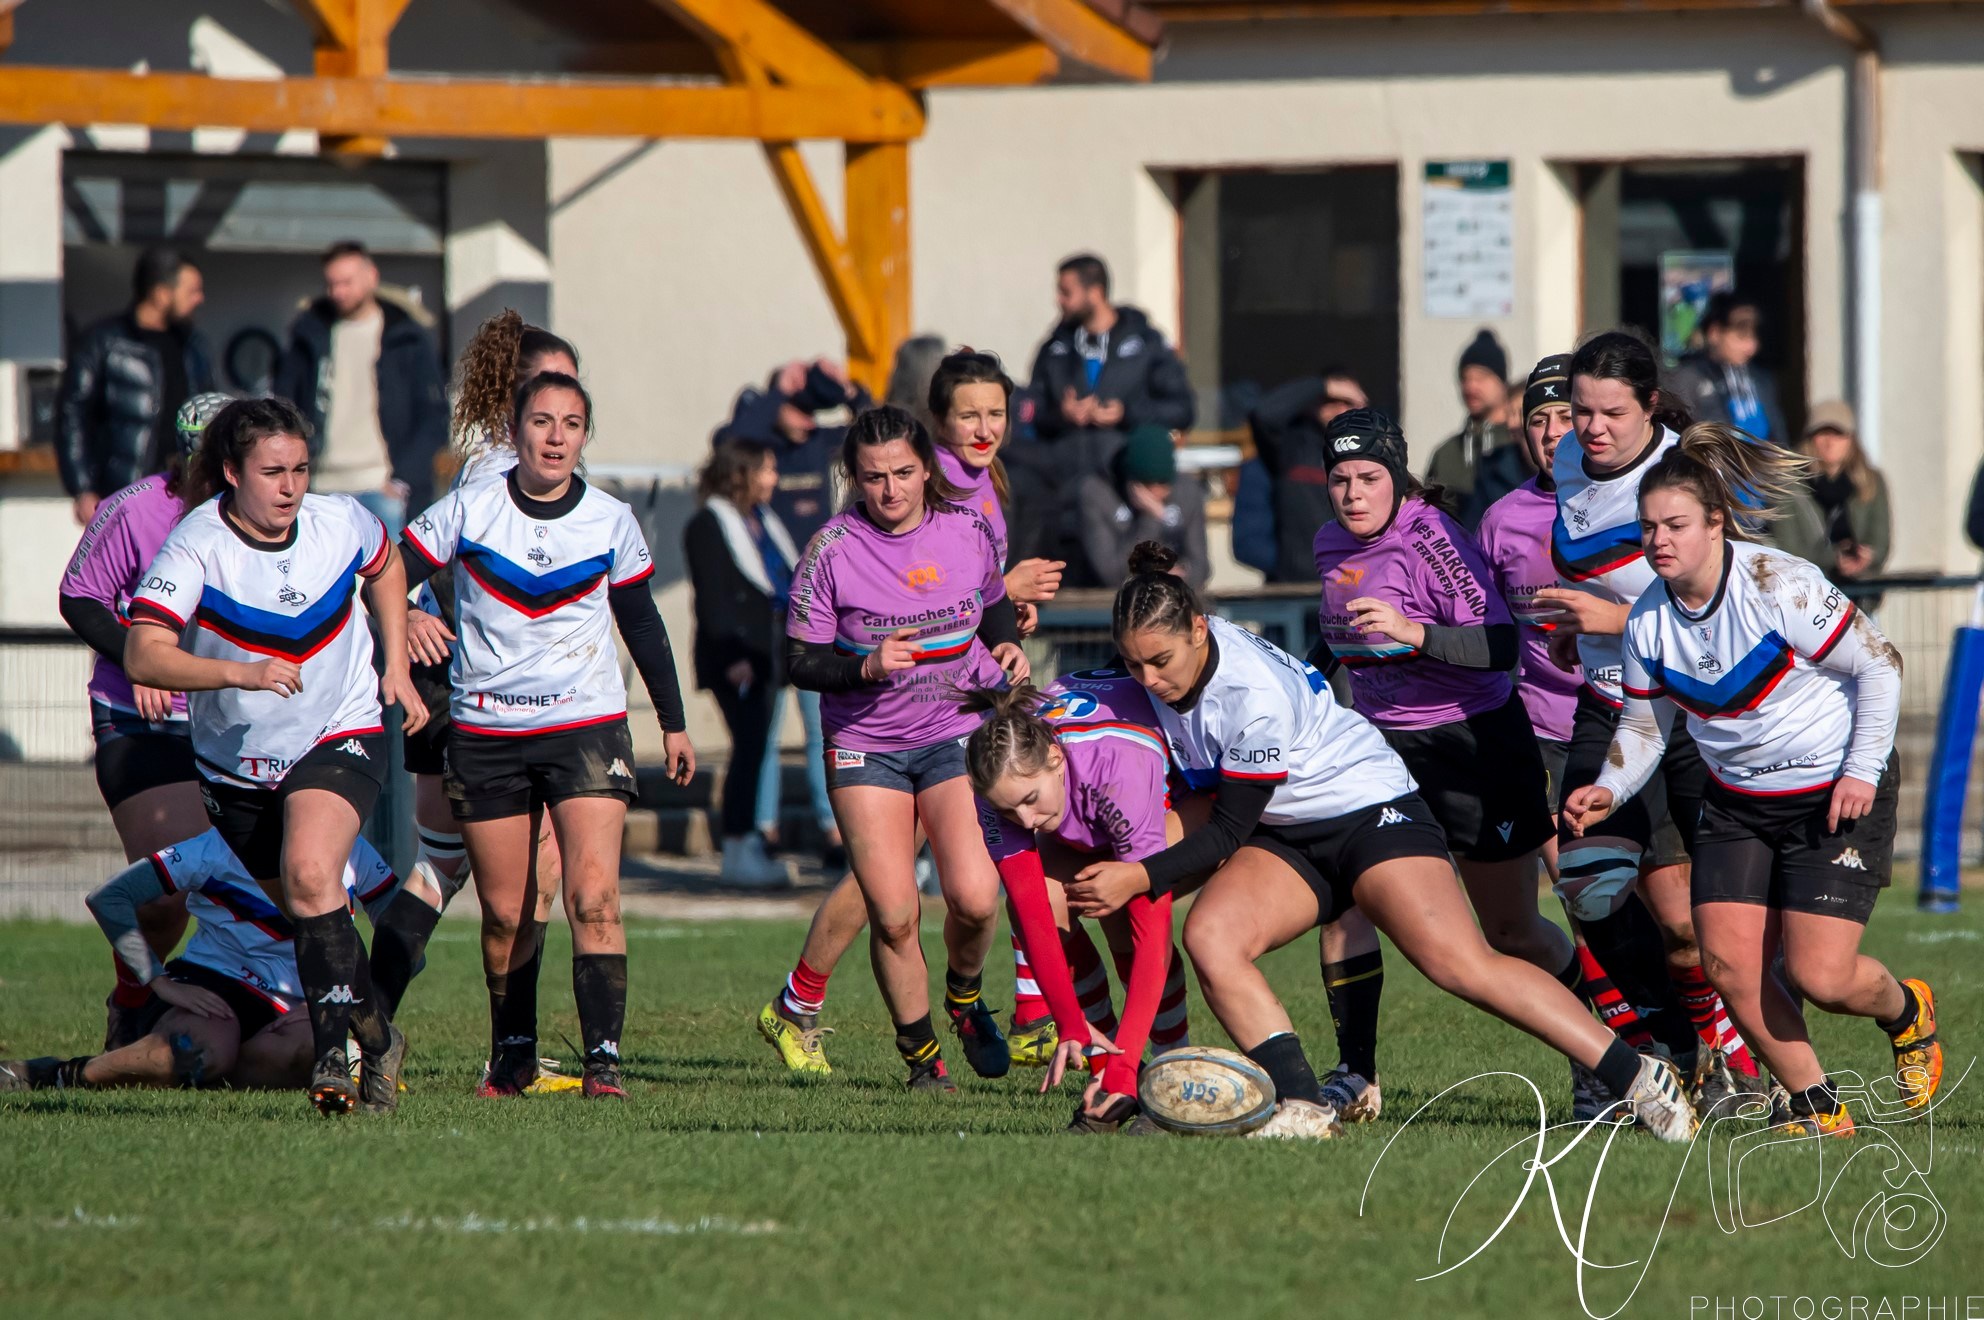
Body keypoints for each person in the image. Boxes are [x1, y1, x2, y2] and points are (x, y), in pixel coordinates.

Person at [1063, 544, 1699, 1142]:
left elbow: (1227, 830)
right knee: (1212, 937)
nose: (1147, 678)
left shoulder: (1248, 693)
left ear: (1199, 629)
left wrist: (1138, 876)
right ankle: (1303, 1104)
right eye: (1134, 663)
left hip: (1370, 810)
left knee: (1459, 964)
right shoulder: (1169, 662)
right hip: (1289, 829)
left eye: (1159, 662)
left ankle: (1637, 1077)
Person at [1564, 423, 1941, 1137]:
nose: (1658, 540)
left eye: (1675, 524)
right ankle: (1816, 1106)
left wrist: (1861, 771)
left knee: (1822, 977)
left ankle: (1906, 1011)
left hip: (1834, 790)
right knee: (1728, 966)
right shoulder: (1647, 622)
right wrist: (1609, 788)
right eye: (1647, 527)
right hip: (1737, 804)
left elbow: (1881, 665)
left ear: (1715, 523)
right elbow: (1646, 728)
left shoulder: (1778, 584)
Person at [754, 352, 1070, 1075]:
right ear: (853, 478)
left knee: (974, 898)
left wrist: (1008, 648)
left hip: (955, 733)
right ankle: (922, 1055)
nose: (889, 489)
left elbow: (992, 609)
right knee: (894, 910)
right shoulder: (832, 550)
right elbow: (798, 661)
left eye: (902, 473)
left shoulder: (967, 531)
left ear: (926, 467)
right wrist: (863, 665)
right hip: (866, 744)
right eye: (873, 477)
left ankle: (964, 996)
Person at [124, 396, 427, 1116]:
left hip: (339, 728)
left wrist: (394, 662)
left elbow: (385, 566)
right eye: (271, 472)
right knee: (309, 903)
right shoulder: (197, 544)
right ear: (231, 472)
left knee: (312, 870)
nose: (290, 486)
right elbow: (143, 651)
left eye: (299, 469)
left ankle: (332, 1061)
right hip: (239, 764)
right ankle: (378, 1039)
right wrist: (240, 672)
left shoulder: (340, 521)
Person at [400, 371, 695, 1100]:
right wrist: (406, 615)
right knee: (505, 913)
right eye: (541, 422)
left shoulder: (610, 520)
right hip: (487, 731)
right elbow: (384, 572)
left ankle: (604, 1065)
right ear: (518, 430)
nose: (555, 436)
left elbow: (643, 624)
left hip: (586, 728)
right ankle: (513, 1057)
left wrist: (674, 722)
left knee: (593, 896)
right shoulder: (468, 509)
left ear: (584, 437)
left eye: (570, 424)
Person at [1537, 331, 1764, 1109]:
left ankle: (1724, 1054)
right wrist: (1583, 632)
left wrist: (1609, 614)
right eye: (1580, 410)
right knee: (1589, 882)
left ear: (1650, 408)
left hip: (1682, 713)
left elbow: (1723, 600)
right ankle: (1668, 1042)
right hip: (1607, 703)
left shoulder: (1683, 479)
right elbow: (1595, 565)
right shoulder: (1568, 463)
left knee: (1682, 925)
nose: (1589, 429)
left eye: (1611, 413)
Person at [377, 312, 582, 1051]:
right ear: (512, 397)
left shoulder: (483, 462)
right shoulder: (506, 475)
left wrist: (412, 607)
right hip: (487, 694)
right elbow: (417, 565)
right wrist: (410, 607)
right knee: (531, 880)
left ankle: (359, 1025)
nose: (558, 412)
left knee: (439, 866)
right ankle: (512, 1053)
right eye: (542, 391)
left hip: (448, 683)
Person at [59, 391, 232, 1050]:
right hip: (142, 717)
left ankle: (274, 1019)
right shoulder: (134, 509)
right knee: (165, 897)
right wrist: (140, 659)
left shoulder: (267, 517)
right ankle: (132, 1004)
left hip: (233, 721)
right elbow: (79, 597)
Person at [963, 672, 1197, 1134]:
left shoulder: (1116, 766)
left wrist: (1127, 1067)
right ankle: (1101, 1065)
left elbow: (1154, 932)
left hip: (1181, 800)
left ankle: (1169, 1070)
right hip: (1086, 812)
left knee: (1128, 919)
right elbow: (1031, 911)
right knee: (1044, 903)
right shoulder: (1000, 779)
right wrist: (1069, 1024)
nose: (1025, 820)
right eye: (1009, 811)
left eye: (1029, 801)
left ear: (1054, 758)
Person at [0, 831, 395, 1093]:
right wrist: (158, 980)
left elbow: (400, 926)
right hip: (212, 986)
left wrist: (359, 1005)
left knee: (331, 1052)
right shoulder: (216, 847)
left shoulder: (347, 846)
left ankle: (201, 1073)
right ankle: (59, 1075)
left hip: (295, 1006)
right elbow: (109, 898)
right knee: (197, 1051)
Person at [718, 358, 871, 857]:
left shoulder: (821, 446)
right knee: (764, 729)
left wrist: (850, 388)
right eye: (798, 407)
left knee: (820, 726)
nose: (807, 417)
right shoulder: (764, 451)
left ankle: (832, 830)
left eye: (812, 408)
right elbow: (728, 442)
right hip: (772, 618)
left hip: (821, 611)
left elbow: (875, 428)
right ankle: (765, 828)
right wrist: (774, 393)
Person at [685, 439, 800, 887]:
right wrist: (734, 657)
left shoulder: (763, 520)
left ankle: (748, 841)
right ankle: (737, 845)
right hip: (736, 657)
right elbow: (712, 599)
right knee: (748, 747)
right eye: (766, 469)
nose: (773, 479)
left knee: (756, 746)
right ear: (743, 473)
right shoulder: (707, 524)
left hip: (767, 651)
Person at [275, 240, 450, 531]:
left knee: (391, 576)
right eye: (332, 284)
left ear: (372, 277)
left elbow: (433, 413)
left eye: (346, 282)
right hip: (320, 487)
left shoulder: (405, 336)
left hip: (381, 489)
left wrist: (404, 478)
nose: (338, 292)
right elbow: (284, 405)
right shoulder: (310, 334)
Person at [57, 245, 214, 527]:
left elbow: (210, 413)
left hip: (182, 498)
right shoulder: (103, 343)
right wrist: (82, 487)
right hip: (120, 495)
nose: (200, 299)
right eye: (192, 291)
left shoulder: (194, 348)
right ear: (161, 293)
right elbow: (72, 414)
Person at [1028, 253, 1195, 478]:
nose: (1058, 300)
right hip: (1064, 483)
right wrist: (1061, 415)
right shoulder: (1056, 348)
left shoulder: (1146, 343)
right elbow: (1030, 411)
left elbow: (1182, 410)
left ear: (1095, 293)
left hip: (1123, 482)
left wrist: (1126, 414)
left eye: (1066, 292)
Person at [1240, 368, 1367, 583]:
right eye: (1331, 400)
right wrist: (1322, 385)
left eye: (1348, 402)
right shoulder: (1292, 446)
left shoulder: (1368, 451)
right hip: (1296, 587)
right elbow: (1263, 415)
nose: (1340, 408)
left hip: (1352, 583)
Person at [1077, 425, 1209, 591]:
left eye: (1163, 483)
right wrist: (1151, 517)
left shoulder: (1188, 491)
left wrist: (1179, 576)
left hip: (1174, 599)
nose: (1156, 492)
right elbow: (1111, 574)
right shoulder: (1098, 493)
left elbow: (1201, 565)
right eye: (1146, 484)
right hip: (1117, 602)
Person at [1777, 400, 1891, 584]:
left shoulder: (1871, 481)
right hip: (1808, 589)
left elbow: (1880, 542)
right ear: (1809, 438)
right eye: (1822, 433)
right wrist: (1833, 557)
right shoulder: (1788, 484)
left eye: (1838, 434)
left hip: (1860, 590)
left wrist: (1865, 556)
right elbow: (1787, 548)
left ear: (1851, 439)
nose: (1830, 442)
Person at [1666, 292, 1788, 447]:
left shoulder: (1761, 378)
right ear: (1715, 332)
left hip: (1761, 466)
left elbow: (1779, 434)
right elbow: (1680, 434)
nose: (1751, 347)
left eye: (1754, 337)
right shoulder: (1689, 377)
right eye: (1741, 336)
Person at [1423, 329, 1518, 529]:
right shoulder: (1446, 453)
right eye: (1465, 378)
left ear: (1502, 382)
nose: (1471, 387)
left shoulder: (1519, 444)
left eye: (1481, 377)